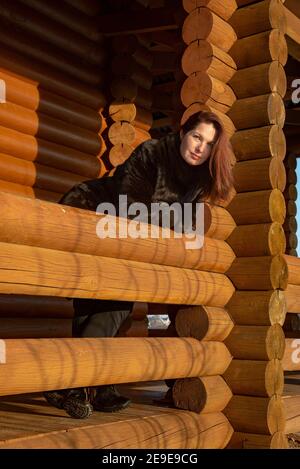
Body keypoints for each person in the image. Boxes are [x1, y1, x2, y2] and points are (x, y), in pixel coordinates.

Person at [44, 110, 234, 419]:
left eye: (209, 144)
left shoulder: (200, 178)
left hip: (129, 237)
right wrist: (179, 223)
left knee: (111, 304)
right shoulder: (152, 153)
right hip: (94, 215)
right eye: (197, 136)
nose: (201, 147)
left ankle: (92, 384)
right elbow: (129, 208)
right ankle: (72, 381)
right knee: (111, 300)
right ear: (183, 132)